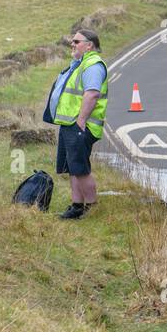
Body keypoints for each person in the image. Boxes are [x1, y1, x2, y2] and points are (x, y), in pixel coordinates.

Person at [43, 28, 109, 219]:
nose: (72, 44)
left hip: (80, 125)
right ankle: (76, 206)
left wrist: (80, 121)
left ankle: (92, 207)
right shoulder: (80, 64)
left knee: (80, 169)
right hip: (70, 124)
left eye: (76, 41)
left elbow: (92, 94)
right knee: (72, 168)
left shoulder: (93, 65)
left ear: (89, 45)